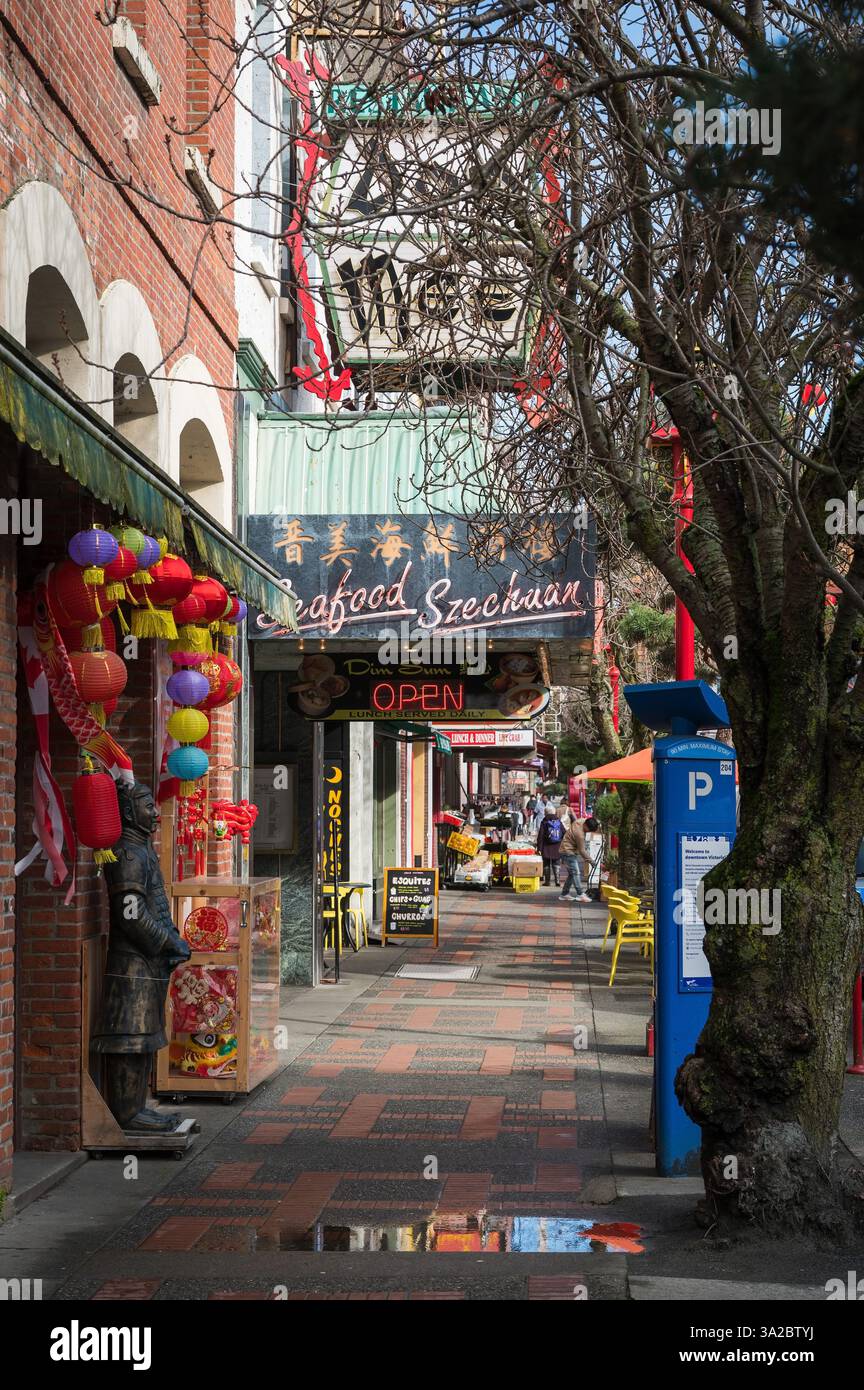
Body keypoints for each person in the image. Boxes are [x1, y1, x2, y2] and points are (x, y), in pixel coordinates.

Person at [558, 813, 600, 903]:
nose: (588, 833)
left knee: (572, 874)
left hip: (565, 849)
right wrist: (592, 862)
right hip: (568, 851)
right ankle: (580, 894)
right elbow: (582, 851)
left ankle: (564, 894)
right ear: (586, 826)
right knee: (576, 872)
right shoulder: (579, 834)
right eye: (588, 831)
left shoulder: (580, 820)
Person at [536, 803, 565, 886]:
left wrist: (539, 848)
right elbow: (564, 833)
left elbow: (540, 836)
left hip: (546, 846)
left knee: (546, 864)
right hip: (557, 846)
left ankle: (547, 881)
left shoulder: (544, 822)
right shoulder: (558, 821)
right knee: (557, 864)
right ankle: (557, 881)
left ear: (546, 813)